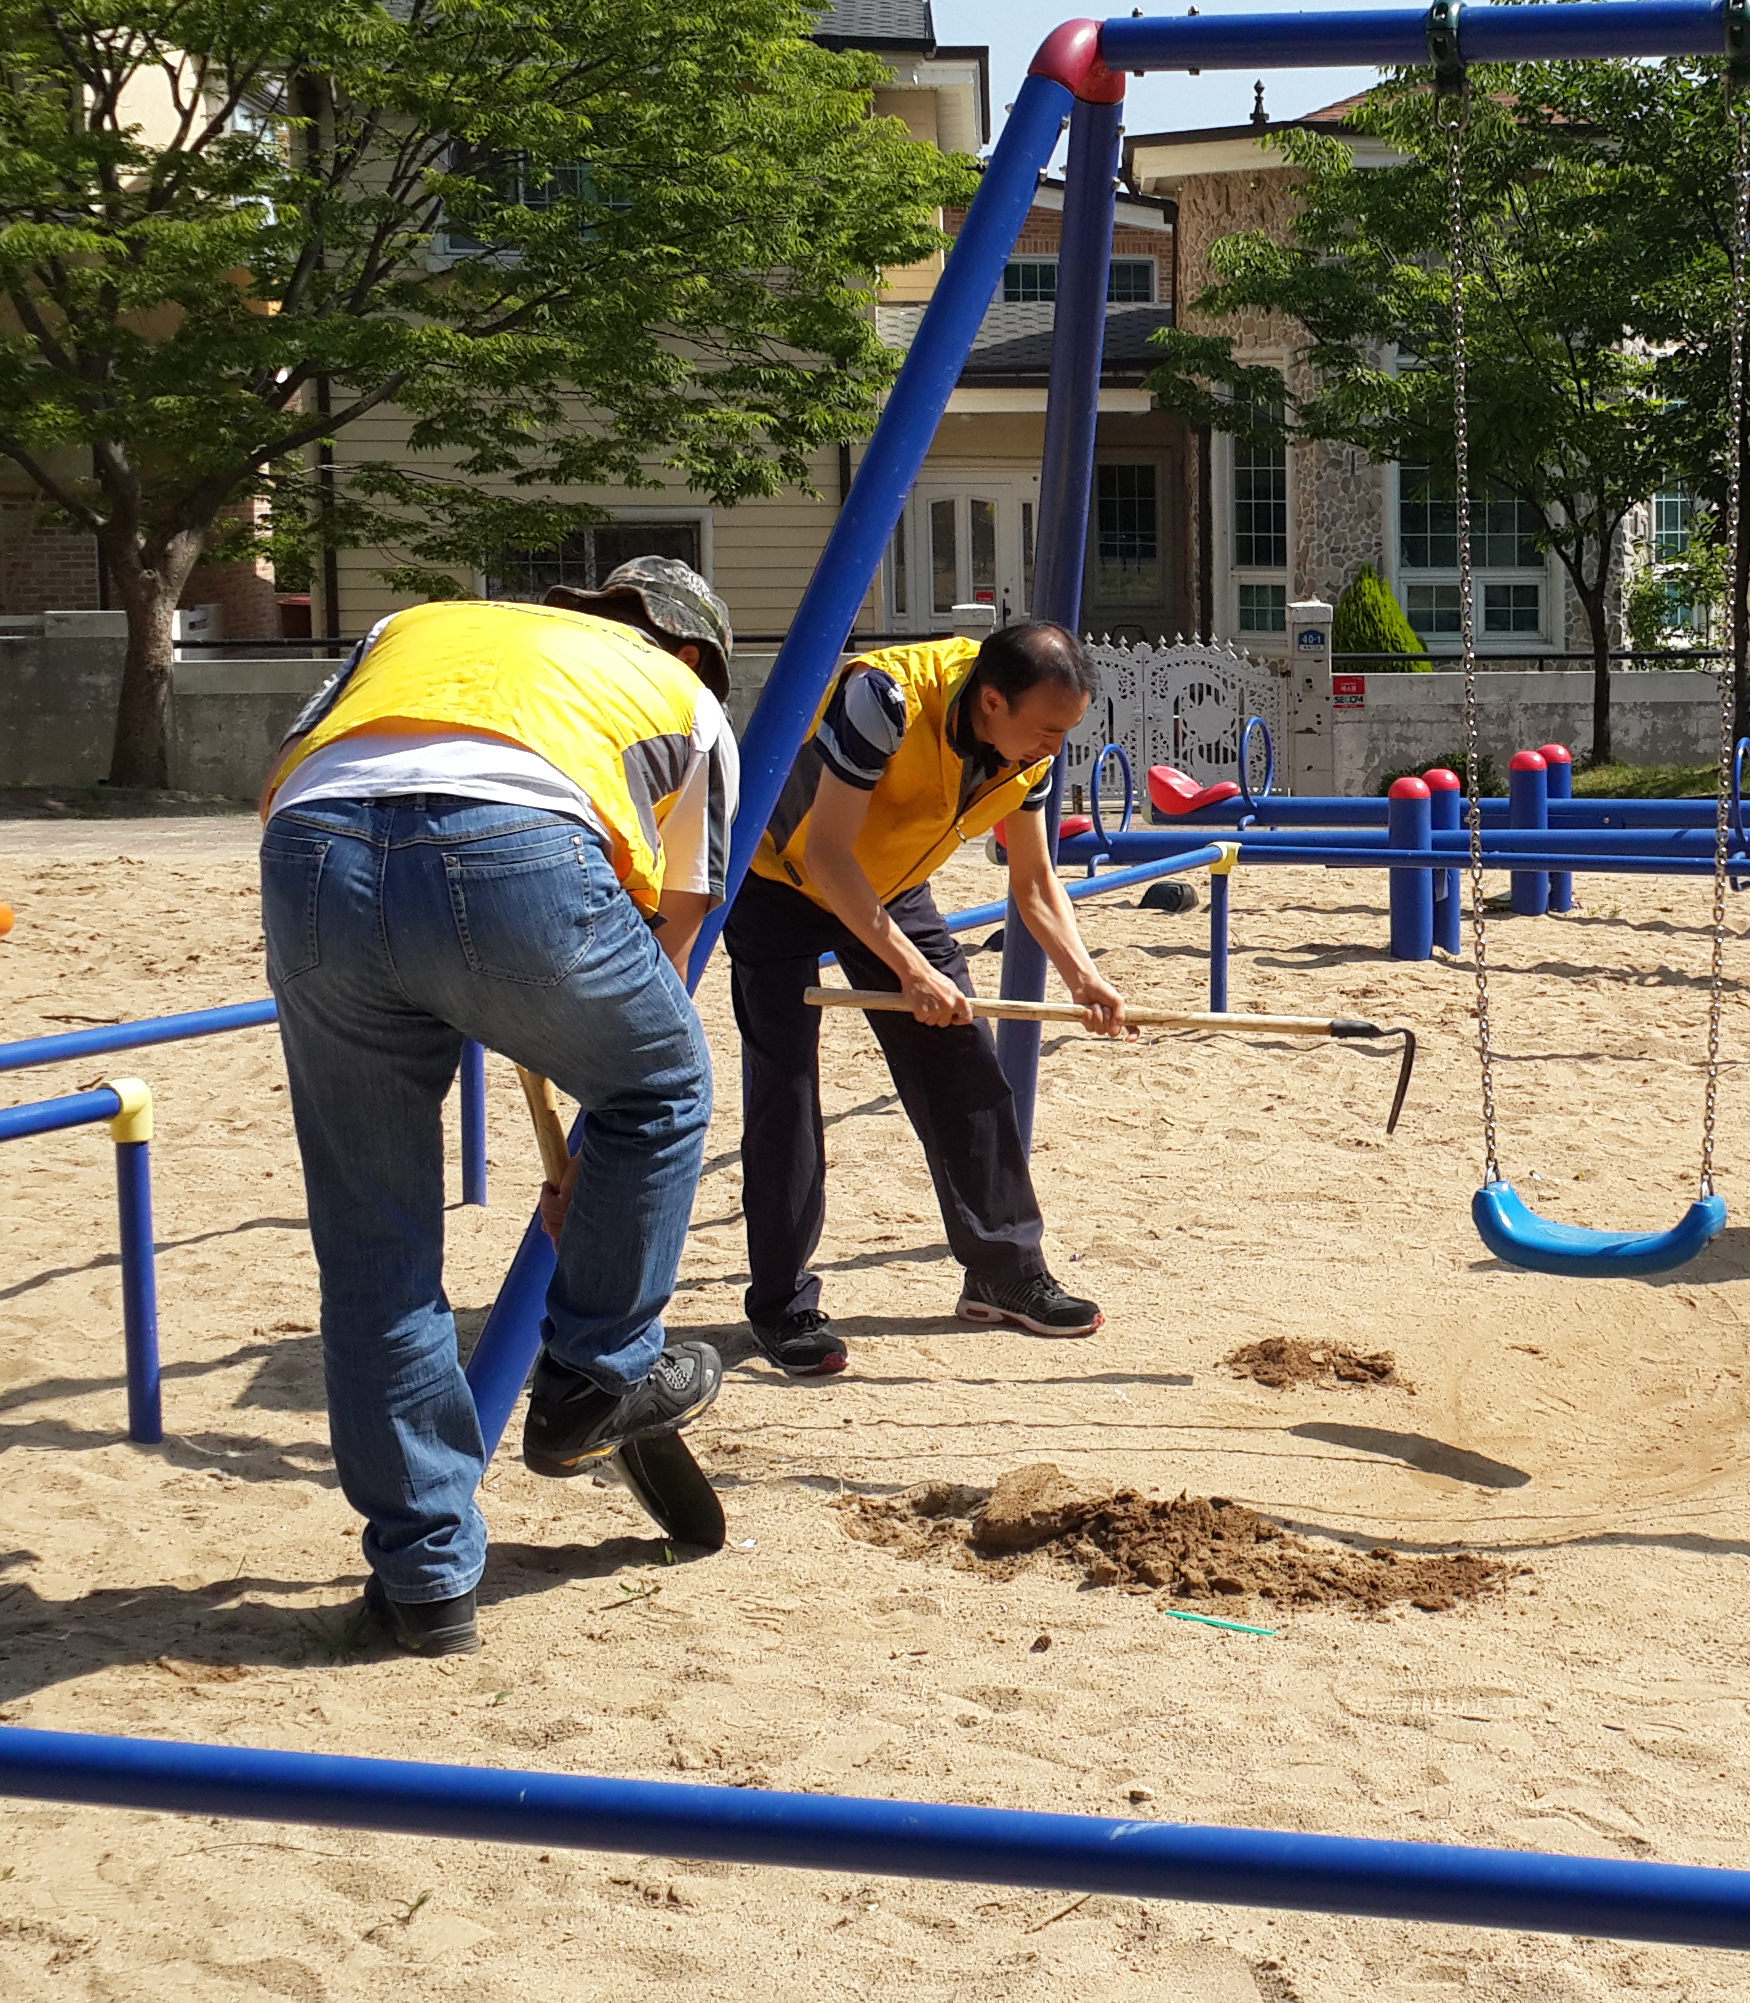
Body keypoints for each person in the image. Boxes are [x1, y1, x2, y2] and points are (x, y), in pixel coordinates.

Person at [260, 557, 742, 1657]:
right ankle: (597, 1376)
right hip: (517, 852)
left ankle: (426, 1579)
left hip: (314, 855)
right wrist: (609, 1174)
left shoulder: (411, 628)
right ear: (700, 651)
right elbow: (667, 949)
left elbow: (288, 780)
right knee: (664, 1088)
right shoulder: (692, 703)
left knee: (374, 1245)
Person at [725, 618, 1126, 1365]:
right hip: (781, 877)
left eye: (1067, 730)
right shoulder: (886, 700)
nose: (1055, 747)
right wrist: (911, 969)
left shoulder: (1027, 754)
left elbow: (1035, 883)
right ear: (994, 701)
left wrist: (1084, 974)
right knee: (785, 1088)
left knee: (964, 1059)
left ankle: (1005, 1274)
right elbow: (825, 854)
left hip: (893, 882)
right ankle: (781, 1305)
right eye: (1046, 728)